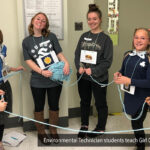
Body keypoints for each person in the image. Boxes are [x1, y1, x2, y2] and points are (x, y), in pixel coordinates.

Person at [22, 12, 70, 144]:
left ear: (46, 25)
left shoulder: (51, 36)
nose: (40, 22)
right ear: (32, 21)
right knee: (39, 107)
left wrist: (66, 63)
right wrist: (42, 72)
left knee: (54, 105)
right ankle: (41, 132)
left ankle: (53, 131)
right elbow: (28, 61)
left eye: (43, 21)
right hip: (37, 80)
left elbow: (59, 53)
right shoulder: (26, 41)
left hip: (55, 79)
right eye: (38, 19)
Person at [74, 4, 113, 138]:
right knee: (84, 101)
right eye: (89, 19)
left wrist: (94, 70)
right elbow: (77, 54)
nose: (92, 21)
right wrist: (78, 66)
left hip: (99, 78)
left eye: (95, 19)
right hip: (83, 77)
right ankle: (84, 125)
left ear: (100, 19)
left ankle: (101, 127)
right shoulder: (83, 36)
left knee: (100, 103)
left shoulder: (106, 39)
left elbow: (107, 61)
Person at [114, 28, 150, 150]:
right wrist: (118, 74)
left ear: (149, 41)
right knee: (134, 122)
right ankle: (139, 143)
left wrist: (129, 81)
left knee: (137, 123)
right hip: (130, 95)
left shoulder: (148, 59)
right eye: (136, 37)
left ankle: (141, 147)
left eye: (143, 38)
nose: (138, 40)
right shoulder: (127, 55)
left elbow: (149, 82)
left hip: (143, 98)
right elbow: (123, 71)